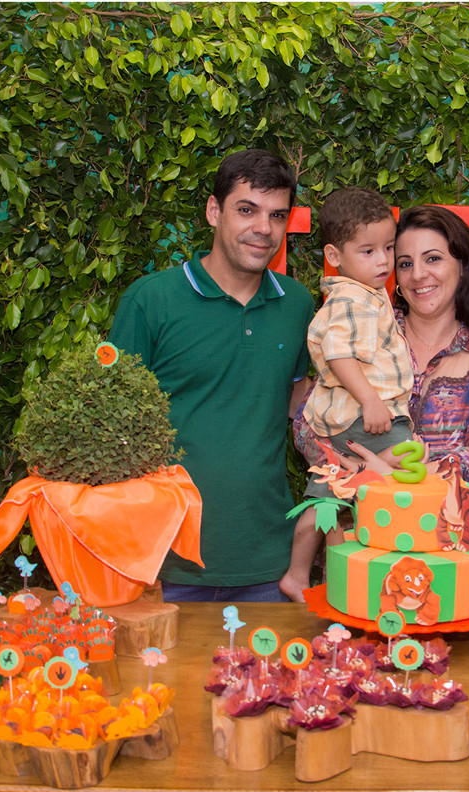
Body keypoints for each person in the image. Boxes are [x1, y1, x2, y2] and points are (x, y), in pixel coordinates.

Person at [109, 149, 314, 602]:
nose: (264, 228)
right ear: (213, 211)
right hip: (163, 565)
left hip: (269, 564)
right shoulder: (151, 301)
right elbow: (110, 427)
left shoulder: (299, 305)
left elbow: (298, 401)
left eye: (277, 215)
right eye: (247, 210)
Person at [288, 205, 469, 597]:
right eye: (405, 262)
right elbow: (308, 424)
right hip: (357, 561)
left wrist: (406, 475)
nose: (418, 274)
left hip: (442, 565)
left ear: (462, 265)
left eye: (433, 259)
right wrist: (359, 469)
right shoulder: (363, 325)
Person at [279, 187, 413, 602]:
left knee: (324, 499)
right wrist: (371, 400)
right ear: (334, 255)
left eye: (388, 248)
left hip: (340, 421)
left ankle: (298, 575)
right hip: (363, 418)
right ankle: (383, 568)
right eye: (368, 251)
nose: (383, 261)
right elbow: (338, 353)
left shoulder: (361, 295)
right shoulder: (354, 300)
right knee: (410, 465)